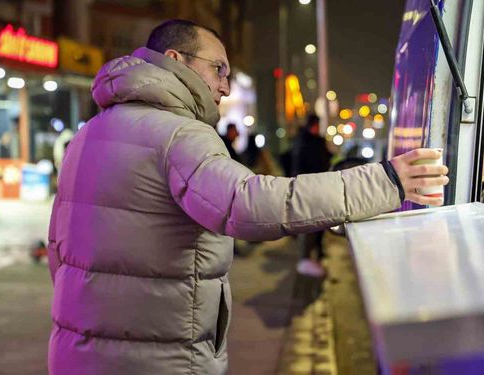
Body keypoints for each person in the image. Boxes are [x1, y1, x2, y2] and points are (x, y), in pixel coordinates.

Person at [46, 19, 449, 375]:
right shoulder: (176, 133)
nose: (224, 85)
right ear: (175, 59)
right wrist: (386, 182)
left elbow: (58, 247)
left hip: (78, 352)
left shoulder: (89, 134)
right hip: (155, 357)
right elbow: (249, 203)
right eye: (217, 69)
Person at [291, 114, 333, 277]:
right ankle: (307, 258)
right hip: (310, 189)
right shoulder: (309, 142)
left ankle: (314, 254)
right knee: (310, 224)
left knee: (315, 223)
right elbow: (313, 164)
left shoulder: (308, 141)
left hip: (311, 187)